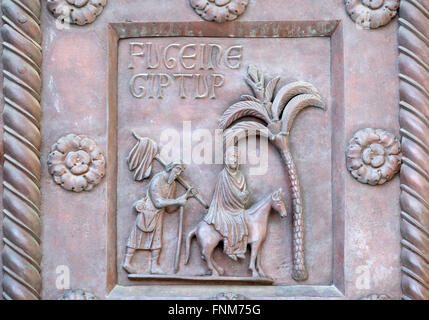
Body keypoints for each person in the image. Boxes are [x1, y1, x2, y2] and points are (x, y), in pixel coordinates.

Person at [123, 160, 191, 274]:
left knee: (156, 241)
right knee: (137, 237)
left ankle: (154, 266)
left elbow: (169, 209)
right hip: (147, 213)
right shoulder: (157, 179)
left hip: (159, 215)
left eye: (180, 171)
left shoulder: (172, 184)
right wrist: (177, 201)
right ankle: (127, 262)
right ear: (170, 167)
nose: (178, 173)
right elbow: (158, 203)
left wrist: (183, 199)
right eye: (177, 169)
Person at [204, 146, 250, 261]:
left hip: (238, 207)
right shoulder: (223, 176)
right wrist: (239, 196)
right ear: (226, 159)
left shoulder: (241, 176)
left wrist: (245, 194)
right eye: (232, 157)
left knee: (241, 218)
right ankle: (230, 250)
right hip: (224, 208)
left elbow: (244, 190)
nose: (234, 160)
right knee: (230, 221)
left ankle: (238, 249)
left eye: (236, 158)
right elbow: (223, 196)